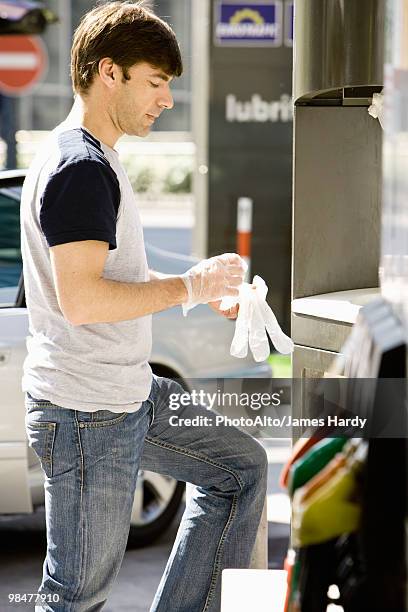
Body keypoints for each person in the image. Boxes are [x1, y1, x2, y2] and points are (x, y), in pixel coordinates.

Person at [21, 2, 268, 610]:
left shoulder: (95, 160)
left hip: (128, 393)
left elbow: (114, 277)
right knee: (77, 596)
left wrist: (199, 289)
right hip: (87, 412)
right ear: (110, 72)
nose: (166, 99)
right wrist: (189, 288)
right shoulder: (79, 169)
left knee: (242, 471)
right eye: (154, 82)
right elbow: (83, 301)